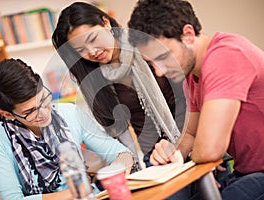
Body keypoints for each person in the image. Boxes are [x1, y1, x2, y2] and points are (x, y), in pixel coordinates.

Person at [128, 0, 264, 199]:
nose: (159, 72)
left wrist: (200, 150)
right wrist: (173, 150)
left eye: (164, 56)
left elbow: (209, 149)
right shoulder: (191, 75)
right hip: (247, 171)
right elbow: (191, 133)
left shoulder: (226, 55)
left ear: (188, 35)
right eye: (152, 62)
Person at [52, 2, 186, 169]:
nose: (92, 51)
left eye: (93, 39)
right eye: (81, 49)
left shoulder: (144, 46)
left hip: (187, 140)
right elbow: (117, 132)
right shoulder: (94, 78)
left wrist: (191, 143)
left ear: (106, 23)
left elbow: (187, 97)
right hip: (154, 159)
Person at [0, 58, 134, 200]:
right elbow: (12, 199)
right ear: (8, 115)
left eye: (43, 99)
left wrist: (118, 168)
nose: (43, 113)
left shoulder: (69, 113)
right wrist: (73, 193)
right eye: (30, 111)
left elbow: (121, 153)